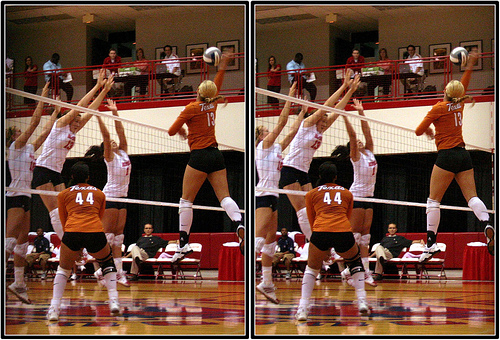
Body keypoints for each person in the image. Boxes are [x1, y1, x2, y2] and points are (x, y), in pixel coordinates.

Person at [415, 52, 494, 260]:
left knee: (433, 201)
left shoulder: (438, 108)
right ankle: (487, 224)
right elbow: (464, 84)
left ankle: (430, 244)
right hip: (463, 155)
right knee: (472, 197)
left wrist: (429, 131)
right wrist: (471, 65)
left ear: (445, 92)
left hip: (446, 156)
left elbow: (417, 130)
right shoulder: (460, 103)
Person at [168, 53, 245, 260]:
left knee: (186, 201)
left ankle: (183, 244)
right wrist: (224, 65)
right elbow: (217, 84)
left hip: (199, 156)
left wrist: (183, 130)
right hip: (216, 154)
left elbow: (171, 131)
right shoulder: (213, 103)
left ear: (198, 93)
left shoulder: (191, 108)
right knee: (225, 197)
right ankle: (239, 224)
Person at [31, 70, 113, 243]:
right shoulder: (60, 125)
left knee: (66, 209)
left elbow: (90, 110)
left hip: (56, 172)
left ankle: (73, 243)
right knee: (54, 210)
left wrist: (104, 91)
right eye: (75, 120)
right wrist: (96, 86)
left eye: (78, 121)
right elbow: (81, 106)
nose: (78, 123)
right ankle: (68, 243)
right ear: (69, 119)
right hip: (42, 170)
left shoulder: (74, 130)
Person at [279, 69, 360, 243]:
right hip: (289, 169)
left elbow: (337, 110)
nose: (325, 122)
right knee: (301, 209)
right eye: (322, 119)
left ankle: (318, 243)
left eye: (325, 121)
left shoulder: (320, 130)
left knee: (313, 208)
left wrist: (351, 91)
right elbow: (328, 106)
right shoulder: (307, 124)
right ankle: (315, 242)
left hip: (303, 171)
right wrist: (343, 86)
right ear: (316, 118)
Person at [296, 162, 370, 321]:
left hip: (320, 232)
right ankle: (362, 302)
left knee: (312, 269)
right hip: (342, 231)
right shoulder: (347, 193)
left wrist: (322, 245)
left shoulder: (311, 194)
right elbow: (347, 216)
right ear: (336, 177)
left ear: (320, 176)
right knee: (355, 262)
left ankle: (302, 309)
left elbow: (311, 219)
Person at [47, 162, 120, 321]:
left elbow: (63, 219)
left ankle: (54, 309)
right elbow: (99, 216)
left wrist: (76, 246)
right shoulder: (100, 193)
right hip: (94, 231)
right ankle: (114, 302)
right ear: (88, 176)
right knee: (107, 263)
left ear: (72, 176)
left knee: (63, 270)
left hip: (72, 231)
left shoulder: (63, 194)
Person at [6, 82, 58, 304]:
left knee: (21, 243)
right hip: (15, 196)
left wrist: (55, 112)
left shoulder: (27, 149)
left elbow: (44, 132)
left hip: (26, 197)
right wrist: (43, 98)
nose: (21, 130)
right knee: (8, 242)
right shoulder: (15, 147)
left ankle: (18, 283)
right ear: (13, 136)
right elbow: (35, 122)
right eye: (17, 130)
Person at [255, 83, 306, 304]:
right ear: (261, 136)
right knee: (256, 241)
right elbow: (282, 122)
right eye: (265, 130)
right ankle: (246, 279)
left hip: (274, 196)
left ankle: (266, 283)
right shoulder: (264, 146)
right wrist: (288, 97)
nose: (269, 131)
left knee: (269, 242)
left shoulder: (275, 148)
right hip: (264, 195)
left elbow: (292, 130)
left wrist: (303, 112)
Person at [333, 98, 378, 287]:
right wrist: (344, 116)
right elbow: (353, 136)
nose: (359, 141)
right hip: (357, 196)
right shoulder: (355, 156)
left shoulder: (369, 152)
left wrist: (361, 111)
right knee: (355, 235)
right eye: (356, 141)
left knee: (366, 236)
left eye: (361, 141)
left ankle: (365, 272)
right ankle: (349, 267)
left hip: (370, 197)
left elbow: (366, 132)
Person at [92, 99, 131, 287]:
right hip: (111, 197)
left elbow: (120, 132)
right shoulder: (109, 157)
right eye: (110, 143)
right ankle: (102, 268)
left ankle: (119, 272)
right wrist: (99, 116)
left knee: (119, 237)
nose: (114, 142)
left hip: (123, 197)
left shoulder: (123, 152)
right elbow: (107, 137)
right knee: (107, 236)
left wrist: (115, 112)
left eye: (116, 142)